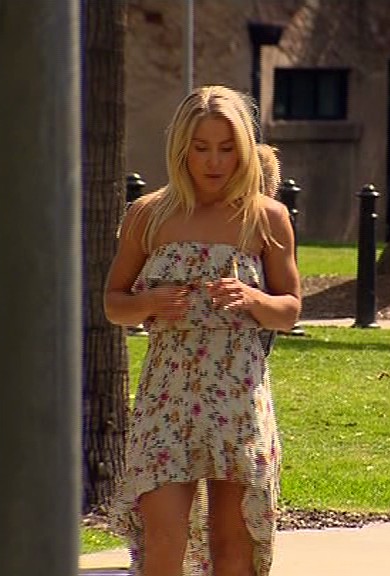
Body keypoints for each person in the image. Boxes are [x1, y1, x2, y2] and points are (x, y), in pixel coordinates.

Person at [104, 85, 300, 576]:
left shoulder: (266, 217)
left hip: (236, 394)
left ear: (245, 150)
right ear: (181, 150)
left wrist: (253, 299)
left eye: (227, 148)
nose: (214, 162)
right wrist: (147, 304)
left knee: (232, 547)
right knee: (161, 542)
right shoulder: (148, 215)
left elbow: (289, 310)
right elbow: (113, 303)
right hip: (166, 396)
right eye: (202, 148)